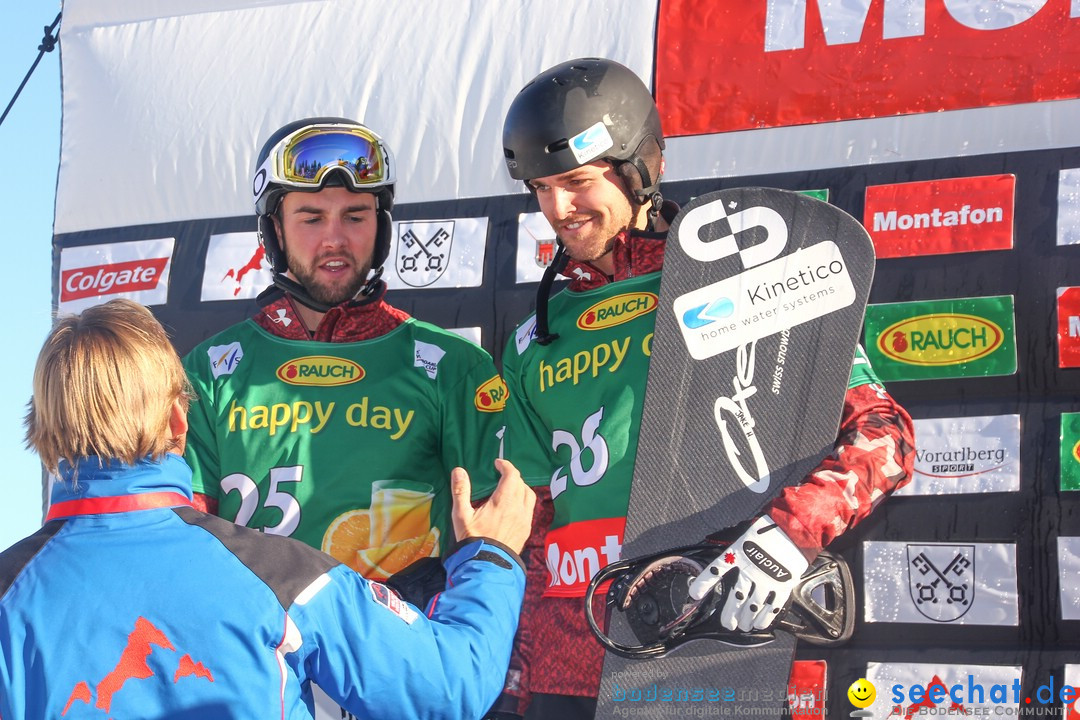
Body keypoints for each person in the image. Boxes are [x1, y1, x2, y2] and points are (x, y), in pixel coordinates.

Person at [495, 58, 916, 719]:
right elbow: (532, 520)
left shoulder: (742, 272)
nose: (558, 209)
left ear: (641, 166)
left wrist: (789, 533)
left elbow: (882, 435)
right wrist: (517, 671)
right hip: (566, 662)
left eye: (577, 182)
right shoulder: (536, 335)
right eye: (541, 189)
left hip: (701, 644)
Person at [0, 298, 535, 719]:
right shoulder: (285, 576)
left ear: (40, 431)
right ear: (179, 422)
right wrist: (492, 558)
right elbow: (450, 686)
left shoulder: (9, 593)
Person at [183, 118, 507, 581]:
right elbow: (184, 538)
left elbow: (499, 541)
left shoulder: (454, 367)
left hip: (400, 645)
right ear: (273, 229)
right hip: (259, 647)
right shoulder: (209, 373)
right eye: (312, 217)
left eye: (355, 216)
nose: (335, 238)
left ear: (383, 226)